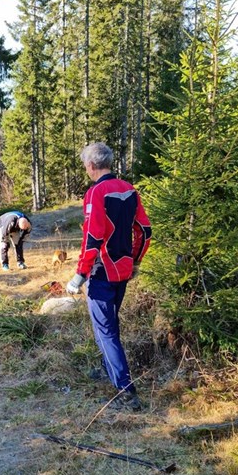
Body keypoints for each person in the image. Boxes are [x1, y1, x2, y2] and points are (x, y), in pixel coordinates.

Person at [66, 142, 151, 411]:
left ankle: (127, 392)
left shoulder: (96, 192)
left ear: (91, 166)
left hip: (101, 272)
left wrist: (80, 275)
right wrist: (135, 260)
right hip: (123, 269)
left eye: (85, 165)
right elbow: (145, 231)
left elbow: (93, 237)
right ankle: (107, 369)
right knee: (110, 327)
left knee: (106, 332)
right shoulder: (129, 189)